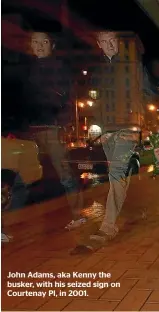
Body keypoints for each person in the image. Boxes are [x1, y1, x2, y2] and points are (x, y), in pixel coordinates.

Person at [23, 31, 85, 231]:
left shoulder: (59, 67)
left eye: (44, 41)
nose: (39, 45)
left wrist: (61, 123)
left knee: (64, 174)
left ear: (52, 45)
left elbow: (68, 98)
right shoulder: (27, 68)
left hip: (51, 128)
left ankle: (78, 216)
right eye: (35, 41)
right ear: (30, 45)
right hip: (27, 130)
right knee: (15, 175)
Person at [86, 30, 141, 245]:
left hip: (127, 129)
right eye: (104, 41)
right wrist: (99, 132)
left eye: (113, 40)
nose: (109, 45)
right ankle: (130, 212)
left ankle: (108, 226)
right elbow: (95, 101)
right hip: (107, 132)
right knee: (117, 176)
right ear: (98, 44)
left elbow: (143, 95)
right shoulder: (97, 71)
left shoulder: (133, 66)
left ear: (118, 42)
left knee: (116, 174)